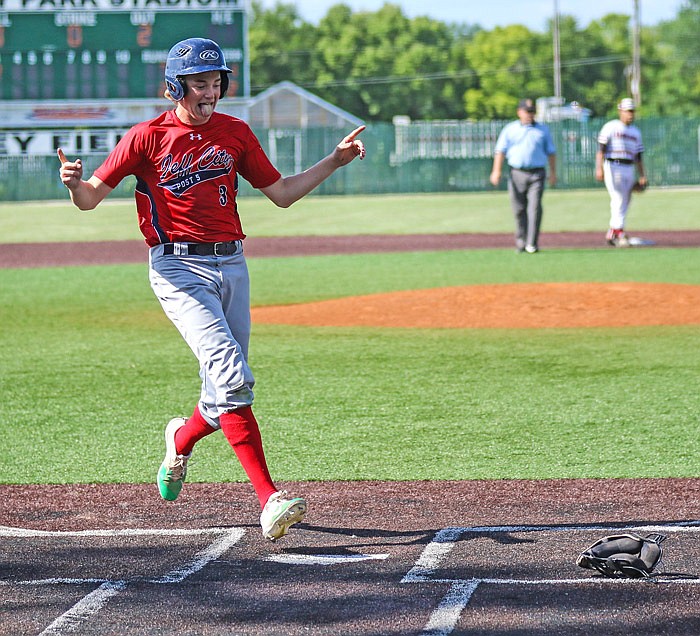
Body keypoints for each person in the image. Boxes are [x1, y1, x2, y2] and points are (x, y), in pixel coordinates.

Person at [57, 37, 365, 541]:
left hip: (233, 265)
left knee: (223, 395)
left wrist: (333, 161)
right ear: (176, 87)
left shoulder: (234, 132)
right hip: (177, 270)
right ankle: (270, 499)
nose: (210, 91)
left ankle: (181, 437)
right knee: (233, 374)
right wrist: (73, 183)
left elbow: (281, 194)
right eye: (199, 83)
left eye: (216, 81)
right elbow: (90, 198)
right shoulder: (146, 136)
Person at [489, 98, 557, 253]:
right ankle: (521, 241)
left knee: (534, 208)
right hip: (516, 173)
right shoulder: (510, 129)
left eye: (532, 111)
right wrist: (496, 171)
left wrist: (553, 173)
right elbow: (500, 151)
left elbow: (551, 152)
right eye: (527, 111)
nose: (530, 114)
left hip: (537, 173)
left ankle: (532, 243)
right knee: (518, 209)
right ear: (519, 112)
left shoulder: (542, 130)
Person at [595, 97, 647, 247]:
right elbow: (601, 150)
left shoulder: (636, 132)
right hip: (613, 164)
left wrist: (642, 175)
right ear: (620, 111)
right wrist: (599, 168)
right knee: (618, 198)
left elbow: (638, 156)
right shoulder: (611, 127)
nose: (630, 114)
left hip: (628, 166)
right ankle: (618, 232)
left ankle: (614, 232)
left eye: (632, 111)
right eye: (627, 111)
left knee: (626, 200)